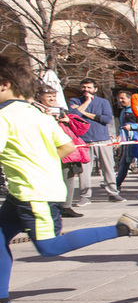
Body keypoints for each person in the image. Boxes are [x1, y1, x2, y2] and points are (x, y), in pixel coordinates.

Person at [0, 57, 138, 303]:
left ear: (5, 85)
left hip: (33, 193)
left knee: (50, 248)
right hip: (27, 191)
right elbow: (66, 147)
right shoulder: (38, 116)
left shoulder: (4, 116)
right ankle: (2, 301)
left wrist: (25, 162)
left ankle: (123, 228)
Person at [69, 78, 125, 203]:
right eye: (83, 87)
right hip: (83, 140)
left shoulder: (103, 102)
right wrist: (87, 103)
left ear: (95, 89)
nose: (86, 90)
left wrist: (85, 113)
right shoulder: (75, 100)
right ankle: (85, 196)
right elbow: (73, 115)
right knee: (84, 170)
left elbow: (106, 119)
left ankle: (113, 192)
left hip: (102, 139)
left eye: (89, 87)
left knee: (108, 167)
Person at [38, 86, 89, 218]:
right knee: (46, 180)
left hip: (66, 150)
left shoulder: (63, 111)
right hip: (45, 151)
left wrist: (68, 121)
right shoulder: (34, 111)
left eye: (54, 96)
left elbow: (81, 128)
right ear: (39, 96)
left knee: (68, 178)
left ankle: (66, 206)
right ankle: (46, 208)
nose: (52, 99)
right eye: (48, 96)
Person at [114, 90, 138, 192]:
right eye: (119, 98)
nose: (120, 100)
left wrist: (132, 126)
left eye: (123, 98)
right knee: (124, 162)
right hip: (127, 141)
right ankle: (117, 183)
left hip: (137, 140)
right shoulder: (123, 111)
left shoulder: (137, 109)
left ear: (130, 98)